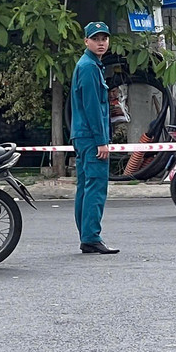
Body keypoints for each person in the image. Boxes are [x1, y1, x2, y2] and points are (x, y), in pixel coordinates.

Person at [70, 22, 118, 254]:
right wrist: (102, 141)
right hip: (91, 137)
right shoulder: (89, 67)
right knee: (96, 186)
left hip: (83, 135)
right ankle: (90, 236)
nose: (101, 42)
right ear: (86, 41)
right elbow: (92, 107)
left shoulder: (89, 65)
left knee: (86, 187)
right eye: (96, 38)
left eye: (104, 38)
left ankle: (86, 235)